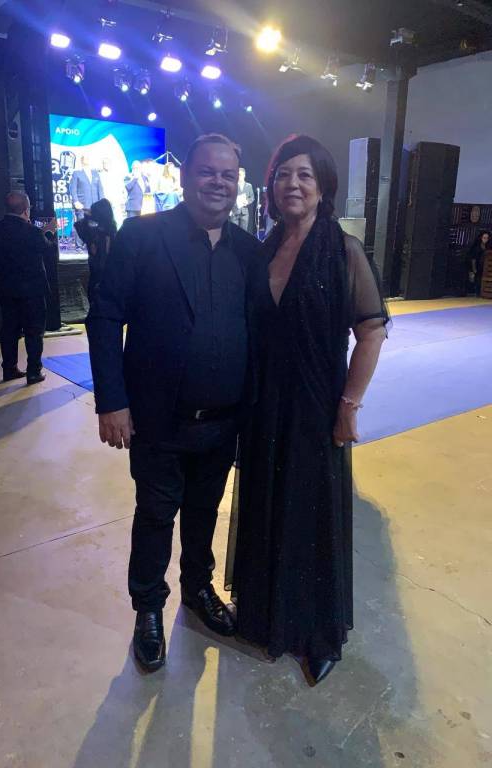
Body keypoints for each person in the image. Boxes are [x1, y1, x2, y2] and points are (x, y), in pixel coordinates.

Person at [86, 134, 260, 673]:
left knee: (205, 513)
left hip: (222, 421)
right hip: (157, 419)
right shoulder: (143, 236)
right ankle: (148, 609)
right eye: (208, 171)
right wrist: (111, 402)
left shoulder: (248, 251)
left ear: (238, 183)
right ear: (185, 177)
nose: (218, 182)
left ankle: (198, 589)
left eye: (228, 175)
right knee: (156, 515)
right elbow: (104, 317)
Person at [227, 135, 388, 686]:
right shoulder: (265, 248)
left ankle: (318, 632)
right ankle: (265, 611)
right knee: (266, 500)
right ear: (270, 186)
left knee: (311, 512)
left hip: (316, 404)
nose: (292, 184)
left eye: (304, 175)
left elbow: (371, 331)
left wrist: (349, 405)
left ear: (323, 187)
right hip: (263, 403)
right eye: (282, 175)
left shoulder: (343, 250)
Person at [0, 191, 56, 384]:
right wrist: (48, 232)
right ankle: (33, 371)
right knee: (34, 331)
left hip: (6, 288)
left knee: (9, 329)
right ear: (26, 210)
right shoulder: (33, 232)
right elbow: (48, 249)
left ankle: (9, 369)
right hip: (32, 289)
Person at [74, 198, 117, 300]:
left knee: (95, 295)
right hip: (103, 270)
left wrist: (87, 217)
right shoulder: (105, 230)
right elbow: (78, 225)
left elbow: (79, 225)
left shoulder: (99, 231)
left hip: (100, 270)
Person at [69, 156, 104, 248]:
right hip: (82, 204)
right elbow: (73, 188)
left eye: (88, 158)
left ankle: (92, 244)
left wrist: (102, 202)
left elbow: (100, 189)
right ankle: (79, 245)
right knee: (82, 225)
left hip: (95, 204)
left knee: (94, 225)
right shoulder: (77, 173)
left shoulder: (95, 173)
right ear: (82, 161)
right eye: (85, 158)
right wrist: (76, 201)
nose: (88, 159)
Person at [98, 158, 126, 230]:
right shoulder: (100, 175)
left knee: (118, 219)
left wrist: (121, 199)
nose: (106, 164)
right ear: (102, 164)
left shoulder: (116, 174)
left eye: (107, 163)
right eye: (104, 163)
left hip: (116, 200)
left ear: (110, 164)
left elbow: (121, 187)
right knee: (106, 220)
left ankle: (120, 233)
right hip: (105, 201)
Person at [230, 167, 255, 232]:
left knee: (243, 232)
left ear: (244, 175)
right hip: (234, 211)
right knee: (233, 232)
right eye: (237, 174)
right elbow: (230, 197)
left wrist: (247, 201)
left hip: (244, 212)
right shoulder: (233, 185)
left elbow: (252, 197)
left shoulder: (249, 186)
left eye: (240, 174)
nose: (239, 176)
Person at [467, 230, 490, 296]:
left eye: (487, 238)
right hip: (477, 266)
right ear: (481, 238)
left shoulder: (488, 247)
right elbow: (473, 259)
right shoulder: (476, 247)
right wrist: (474, 269)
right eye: (484, 238)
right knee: (477, 279)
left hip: (484, 267)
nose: (486, 240)